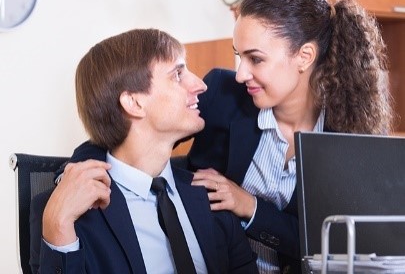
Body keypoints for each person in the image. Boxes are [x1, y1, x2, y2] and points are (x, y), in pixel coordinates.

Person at [55, 0, 394, 274]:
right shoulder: (223, 94)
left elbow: (337, 246)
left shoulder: (350, 132)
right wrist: (76, 173)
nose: (242, 72)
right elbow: (133, 136)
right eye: (239, 55)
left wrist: (251, 208)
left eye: (255, 58)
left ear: (304, 57)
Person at [29, 28, 259, 274]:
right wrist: (59, 227)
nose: (200, 85)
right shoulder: (64, 214)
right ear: (134, 102)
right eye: (178, 74)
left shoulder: (213, 197)